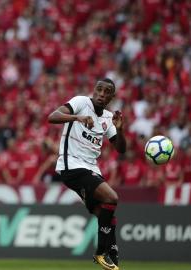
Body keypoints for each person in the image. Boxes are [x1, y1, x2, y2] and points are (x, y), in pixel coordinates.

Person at [48, 78, 126, 270]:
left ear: (111, 97)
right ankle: (101, 252)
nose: (101, 94)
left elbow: (121, 149)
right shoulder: (81, 103)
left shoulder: (108, 118)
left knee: (104, 212)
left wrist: (121, 130)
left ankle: (112, 251)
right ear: (94, 90)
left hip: (91, 169)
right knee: (111, 197)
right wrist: (77, 118)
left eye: (107, 92)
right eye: (99, 89)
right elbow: (53, 116)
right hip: (71, 166)